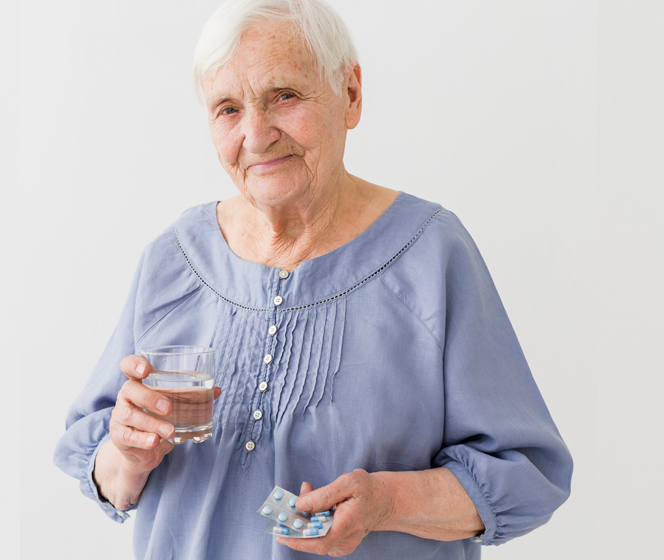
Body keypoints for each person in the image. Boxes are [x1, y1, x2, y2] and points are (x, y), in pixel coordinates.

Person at [54, 0, 573, 558]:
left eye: (285, 96)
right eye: (227, 109)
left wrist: (387, 501)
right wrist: (128, 455)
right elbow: (103, 472)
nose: (257, 135)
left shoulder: (431, 254)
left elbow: (526, 476)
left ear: (349, 95)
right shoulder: (172, 259)